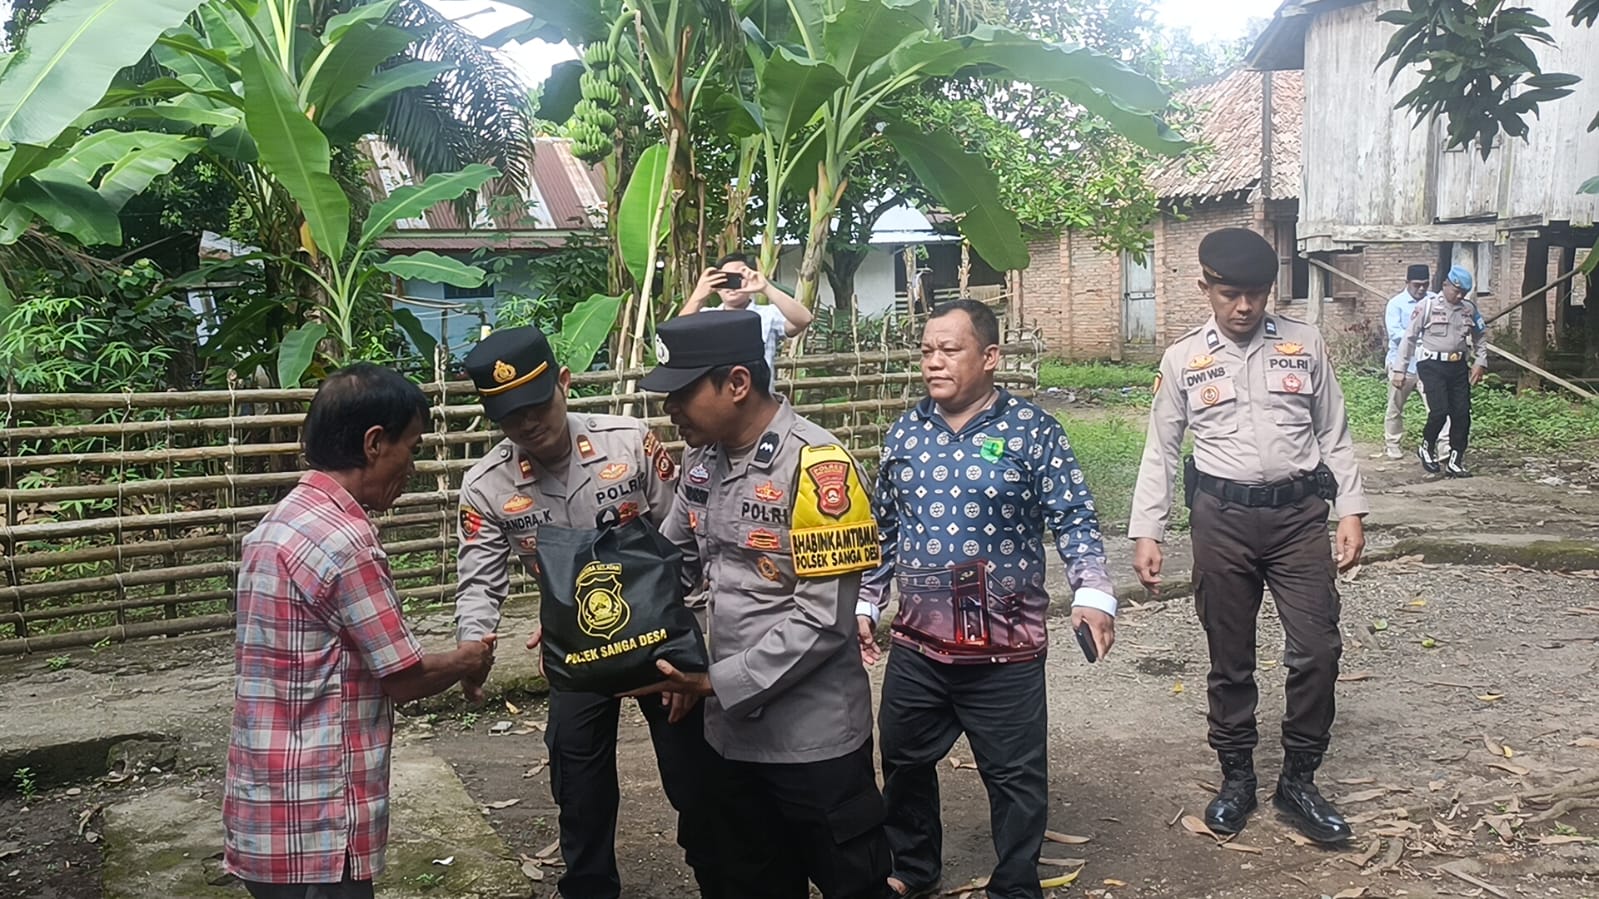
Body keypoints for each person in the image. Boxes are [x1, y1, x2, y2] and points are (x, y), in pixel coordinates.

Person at [857, 299, 1118, 899]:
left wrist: (1092, 590)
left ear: (990, 356)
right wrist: (868, 601)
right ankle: (914, 867)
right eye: (927, 350)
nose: (934, 362)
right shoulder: (904, 434)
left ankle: (1015, 884)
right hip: (919, 646)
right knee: (902, 761)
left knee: (1016, 778)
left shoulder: (1033, 431)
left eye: (950, 350)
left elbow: (1074, 517)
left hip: (1007, 650)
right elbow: (885, 529)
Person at [628, 311, 893, 899]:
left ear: (738, 383)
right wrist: (584, 617)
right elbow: (668, 565)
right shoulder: (701, 463)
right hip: (728, 738)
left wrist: (713, 683)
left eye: (682, 394)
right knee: (749, 881)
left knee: (853, 883)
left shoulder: (818, 467)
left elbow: (823, 620)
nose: (670, 410)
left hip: (812, 741)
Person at [452, 326, 723, 899]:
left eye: (536, 404)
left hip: (657, 638)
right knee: (577, 779)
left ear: (564, 383)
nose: (527, 423)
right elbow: (479, 580)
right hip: (575, 650)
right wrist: (475, 645)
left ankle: (722, 877)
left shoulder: (629, 444)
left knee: (694, 773)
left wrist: (688, 647)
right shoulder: (486, 486)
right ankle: (589, 886)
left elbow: (684, 544)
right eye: (509, 416)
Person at [1129, 228, 1368, 845]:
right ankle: (1236, 777)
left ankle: (1299, 779)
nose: (1244, 307)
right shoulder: (1183, 359)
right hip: (1221, 520)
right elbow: (1162, 449)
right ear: (1205, 288)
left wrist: (1350, 510)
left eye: (1256, 294)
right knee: (1229, 654)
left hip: (1298, 519)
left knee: (1318, 648)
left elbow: (1334, 432)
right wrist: (1148, 530)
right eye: (1231, 294)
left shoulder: (1304, 344)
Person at [224, 363, 497, 899]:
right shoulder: (347, 543)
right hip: (320, 820)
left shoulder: (276, 524)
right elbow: (404, 677)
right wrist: (470, 658)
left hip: (266, 807)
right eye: (411, 447)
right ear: (374, 443)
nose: (412, 465)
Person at [1392, 265, 1487, 478]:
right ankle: (1427, 446)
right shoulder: (1427, 306)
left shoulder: (1469, 309)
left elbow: (1480, 335)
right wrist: (1400, 369)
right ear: (1445, 284)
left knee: (1462, 414)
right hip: (1432, 365)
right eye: (1456, 290)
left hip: (1458, 366)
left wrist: (1481, 361)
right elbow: (1409, 338)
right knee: (1439, 411)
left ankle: (1455, 460)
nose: (1459, 296)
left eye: (1463, 292)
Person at [678, 252, 815, 385]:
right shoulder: (705, 317)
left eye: (738, 278)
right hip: (717, 398)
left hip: (760, 398)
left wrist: (766, 287)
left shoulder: (768, 314)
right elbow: (677, 335)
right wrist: (699, 294)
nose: (732, 285)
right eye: (726, 278)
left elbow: (804, 319)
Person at [1383, 264, 1448, 459]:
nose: (1421, 289)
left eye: (1425, 285)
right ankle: (1392, 443)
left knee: (1438, 407)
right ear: (1407, 283)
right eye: (1416, 285)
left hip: (1430, 365)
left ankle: (1444, 447)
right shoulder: (1396, 304)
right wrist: (1423, 338)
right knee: (1395, 406)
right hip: (1402, 364)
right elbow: (1396, 334)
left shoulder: (1435, 301)